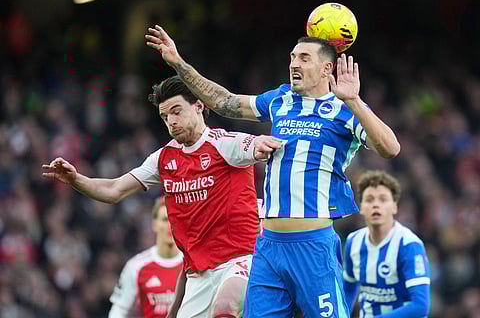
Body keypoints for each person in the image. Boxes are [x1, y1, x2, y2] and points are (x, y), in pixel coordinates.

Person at [145, 25, 401, 317]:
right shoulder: (280, 100)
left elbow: (390, 148)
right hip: (268, 247)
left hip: (312, 246)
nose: (294, 63)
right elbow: (225, 102)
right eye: (293, 57)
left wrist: (354, 101)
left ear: (326, 68)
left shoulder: (344, 110)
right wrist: (179, 63)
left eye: (304, 58)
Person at [42, 76, 282, 318]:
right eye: (166, 117)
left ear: (199, 105)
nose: (172, 122)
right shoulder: (163, 159)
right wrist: (76, 179)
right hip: (198, 274)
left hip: (240, 260)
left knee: (224, 308)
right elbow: (114, 190)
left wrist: (262, 144)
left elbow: (259, 146)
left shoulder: (225, 144)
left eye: (177, 112)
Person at [342, 170, 430, 318]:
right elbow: (348, 289)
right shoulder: (353, 241)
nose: (376, 205)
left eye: (383, 199)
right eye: (369, 199)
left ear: (395, 207)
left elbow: (420, 306)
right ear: (361, 207)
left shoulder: (409, 245)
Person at [108, 196, 183, 318]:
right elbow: (119, 309)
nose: (170, 225)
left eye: (174, 219)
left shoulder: (193, 265)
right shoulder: (136, 266)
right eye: (165, 219)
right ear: (155, 225)